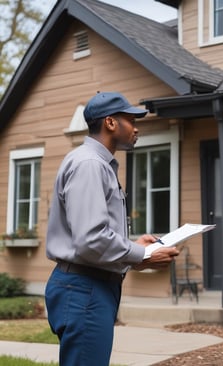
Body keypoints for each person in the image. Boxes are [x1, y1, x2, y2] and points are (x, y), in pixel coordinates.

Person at [45, 91, 179, 366]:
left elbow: (93, 237)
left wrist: (135, 249)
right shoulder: (90, 165)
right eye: (130, 120)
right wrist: (142, 255)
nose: (136, 127)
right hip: (84, 288)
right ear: (110, 123)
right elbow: (91, 240)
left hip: (88, 285)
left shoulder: (96, 164)